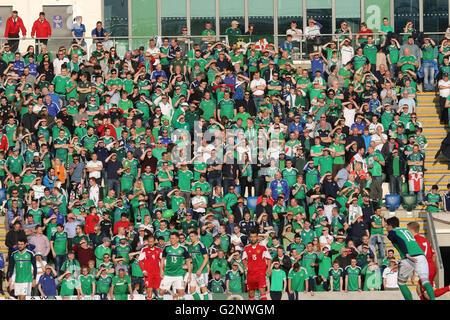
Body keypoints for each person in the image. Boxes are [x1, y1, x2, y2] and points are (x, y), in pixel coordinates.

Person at [386, 217, 435, 300]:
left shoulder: (392, 232)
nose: (386, 227)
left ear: (390, 226)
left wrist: (407, 254)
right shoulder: (406, 230)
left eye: (387, 225)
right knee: (425, 281)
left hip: (409, 257)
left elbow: (401, 241)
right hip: (421, 256)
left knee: (401, 283)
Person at [407, 221, 450, 300]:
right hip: (430, 267)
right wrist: (430, 265)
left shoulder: (414, 241)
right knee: (418, 288)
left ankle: (448, 288)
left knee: (428, 294)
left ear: (411, 231)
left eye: (407, 230)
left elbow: (416, 258)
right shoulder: (425, 240)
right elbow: (434, 255)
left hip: (425, 268)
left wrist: (414, 274)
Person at [158, 232, 191, 300]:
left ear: (177, 239)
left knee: (181, 293)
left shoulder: (183, 248)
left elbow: (188, 261)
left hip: (178, 274)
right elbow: (162, 259)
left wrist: (189, 274)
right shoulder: (166, 247)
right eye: (170, 238)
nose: (171, 240)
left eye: (173, 238)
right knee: (161, 292)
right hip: (167, 274)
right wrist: (161, 270)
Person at [242, 231, 271, 300]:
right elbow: (243, 259)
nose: (253, 238)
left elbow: (268, 258)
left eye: (254, 237)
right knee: (251, 293)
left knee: (262, 290)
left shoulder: (263, 247)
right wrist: (246, 267)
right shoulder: (246, 248)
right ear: (249, 238)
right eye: (251, 237)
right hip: (251, 274)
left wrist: (268, 269)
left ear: (257, 237)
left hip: (260, 273)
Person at [138, 235, 162, 300]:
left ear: (154, 242)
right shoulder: (144, 249)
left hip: (157, 273)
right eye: (149, 242)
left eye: (152, 242)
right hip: (148, 274)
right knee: (149, 289)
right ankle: (149, 298)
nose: (150, 243)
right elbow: (140, 261)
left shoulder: (159, 250)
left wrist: (162, 271)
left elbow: (162, 261)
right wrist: (143, 271)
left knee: (158, 290)